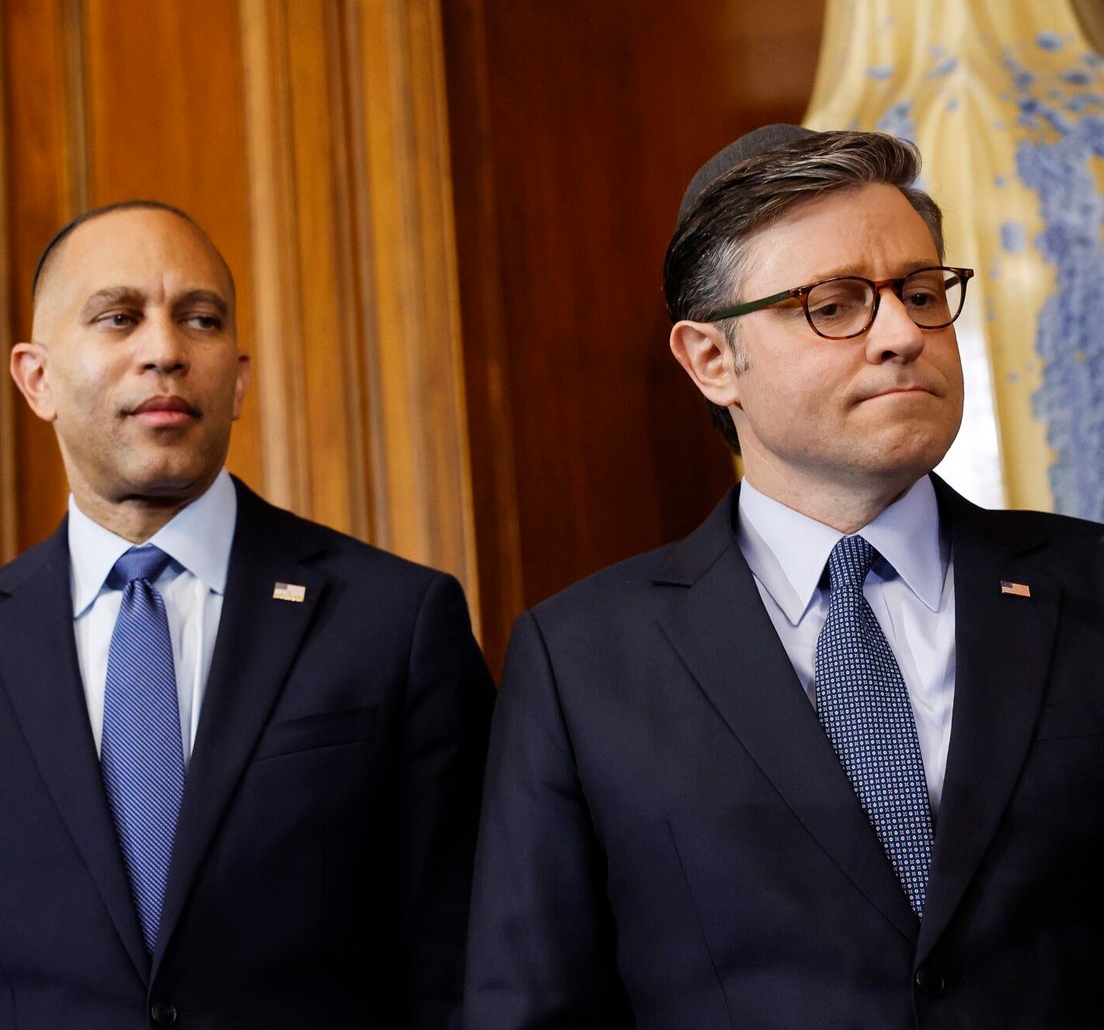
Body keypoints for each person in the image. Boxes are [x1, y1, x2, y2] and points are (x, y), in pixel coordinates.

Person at [462, 127, 1104, 1027]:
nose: (901, 335)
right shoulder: (581, 661)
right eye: (835, 305)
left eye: (921, 293)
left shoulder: (1090, 586)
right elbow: (532, 1003)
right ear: (712, 361)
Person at [0, 200, 495, 1029]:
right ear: (37, 379)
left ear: (239, 379)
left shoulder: (397, 623)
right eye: (118, 318)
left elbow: (465, 976)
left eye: (200, 320)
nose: (166, 351)